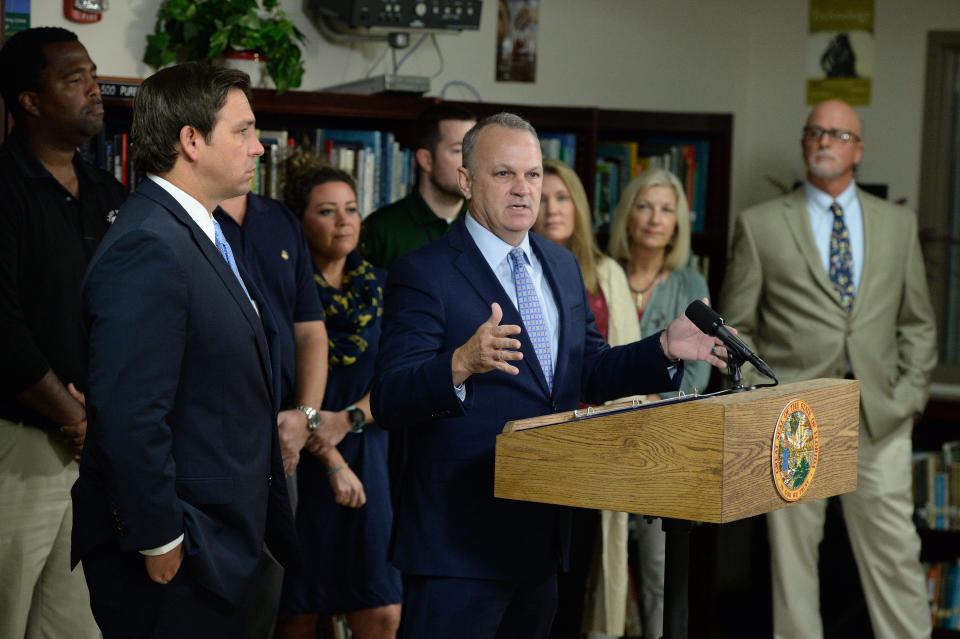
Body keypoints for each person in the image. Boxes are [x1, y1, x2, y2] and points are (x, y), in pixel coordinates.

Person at [371, 112, 729, 639]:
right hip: (457, 546)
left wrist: (662, 349)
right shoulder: (424, 272)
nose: (523, 190)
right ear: (467, 180)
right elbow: (390, 398)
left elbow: (589, 371)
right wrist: (459, 364)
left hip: (543, 534)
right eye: (503, 174)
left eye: (533, 175)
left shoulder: (560, 266)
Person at [71, 63, 316, 637]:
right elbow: (131, 413)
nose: (259, 147)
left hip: (230, 540)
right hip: (183, 553)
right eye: (244, 130)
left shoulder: (202, 230)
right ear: (191, 140)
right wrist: (162, 539)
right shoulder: (149, 244)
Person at [719, 99, 937, 639]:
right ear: (802, 142)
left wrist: (908, 398)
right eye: (815, 131)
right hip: (796, 419)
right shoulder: (761, 224)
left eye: (838, 135)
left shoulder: (897, 225)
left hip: (877, 420)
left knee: (896, 557)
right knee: (793, 570)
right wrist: (766, 400)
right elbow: (735, 329)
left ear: (857, 150)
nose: (824, 141)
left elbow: (918, 323)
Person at [0, 27, 123, 639]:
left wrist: (99, 421)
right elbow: (1, 327)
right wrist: (71, 417)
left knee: (78, 625)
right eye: (74, 80)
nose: (94, 90)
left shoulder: (111, 193)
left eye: (93, 76)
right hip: (19, 444)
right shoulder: (3, 187)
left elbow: (133, 315)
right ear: (30, 100)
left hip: (97, 446)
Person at [276, 165, 401, 639]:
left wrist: (349, 421)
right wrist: (327, 452)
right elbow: (281, 388)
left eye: (351, 209)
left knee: (383, 609)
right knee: (298, 615)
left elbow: (398, 376)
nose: (343, 221)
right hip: (298, 461)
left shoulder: (383, 287)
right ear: (300, 221)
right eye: (327, 212)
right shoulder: (285, 289)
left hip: (370, 450)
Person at [216, 188, 330, 638]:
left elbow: (310, 332)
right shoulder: (187, 215)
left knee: (265, 596)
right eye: (242, 133)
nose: (257, 147)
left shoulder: (279, 218)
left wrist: (306, 415)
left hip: (283, 438)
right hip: (213, 435)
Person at [533, 159, 638, 639]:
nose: (552, 208)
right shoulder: (517, 271)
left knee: (584, 575)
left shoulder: (606, 273)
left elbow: (619, 364)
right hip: (542, 444)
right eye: (543, 197)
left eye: (562, 198)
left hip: (601, 448)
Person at [607, 168, 711, 639]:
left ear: (678, 224)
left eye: (667, 210)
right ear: (628, 215)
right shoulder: (602, 272)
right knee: (600, 565)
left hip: (662, 448)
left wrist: (642, 398)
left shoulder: (689, 282)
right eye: (645, 206)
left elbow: (698, 374)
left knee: (657, 568)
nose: (654, 219)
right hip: (602, 437)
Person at [361, 102, 476, 268]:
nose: (471, 162)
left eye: (474, 151)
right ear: (426, 160)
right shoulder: (381, 229)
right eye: (458, 151)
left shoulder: (486, 224)